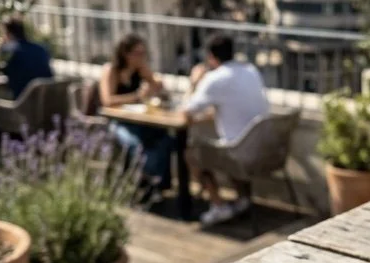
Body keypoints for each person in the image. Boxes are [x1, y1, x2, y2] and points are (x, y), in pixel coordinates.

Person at [181, 32, 269, 227]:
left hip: (240, 153)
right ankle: (243, 199)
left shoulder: (215, 79)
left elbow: (186, 111)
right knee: (230, 140)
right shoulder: (250, 70)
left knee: (192, 153)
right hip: (265, 148)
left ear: (211, 57)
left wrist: (194, 82)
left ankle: (218, 204)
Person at [99, 33, 173, 190]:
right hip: (116, 121)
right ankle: (142, 182)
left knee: (164, 138)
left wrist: (152, 79)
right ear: (125, 54)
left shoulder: (139, 71)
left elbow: (160, 90)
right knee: (136, 144)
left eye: (143, 53)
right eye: (137, 53)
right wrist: (136, 96)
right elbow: (107, 100)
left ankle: (155, 183)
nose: (141, 57)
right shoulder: (111, 71)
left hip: (138, 119)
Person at [0, 18, 53, 99]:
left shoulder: (10, 51)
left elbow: (3, 72)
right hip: (47, 99)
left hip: (24, 102)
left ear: (9, 34)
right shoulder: (40, 48)